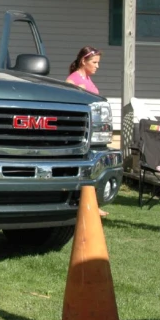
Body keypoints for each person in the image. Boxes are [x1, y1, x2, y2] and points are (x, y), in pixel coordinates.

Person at [66, 46, 109, 216]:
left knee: (93, 166)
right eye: (94, 62)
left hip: (93, 131)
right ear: (83, 61)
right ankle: (80, 202)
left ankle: (92, 202)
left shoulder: (89, 80)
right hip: (80, 132)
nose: (97, 66)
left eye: (98, 62)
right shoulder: (73, 80)